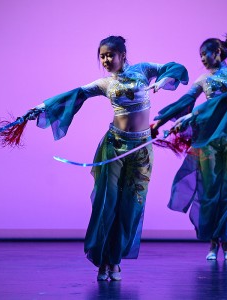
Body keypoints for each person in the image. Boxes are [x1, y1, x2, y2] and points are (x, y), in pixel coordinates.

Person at [29, 36, 189, 281]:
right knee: (107, 203)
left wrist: (165, 80)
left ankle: (114, 261)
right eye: (102, 55)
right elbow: (76, 94)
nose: (105, 60)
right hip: (114, 147)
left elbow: (174, 68)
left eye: (110, 55)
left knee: (131, 207)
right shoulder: (104, 83)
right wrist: (41, 107)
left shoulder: (144, 70)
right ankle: (103, 260)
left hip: (142, 150)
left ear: (123, 55)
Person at [153, 35, 227, 261]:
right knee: (211, 190)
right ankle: (213, 243)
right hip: (210, 140)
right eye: (200, 55)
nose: (203, 58)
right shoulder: (203, 79)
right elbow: (186, 102)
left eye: (206, 53)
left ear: (219, 52)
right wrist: (162, 121)